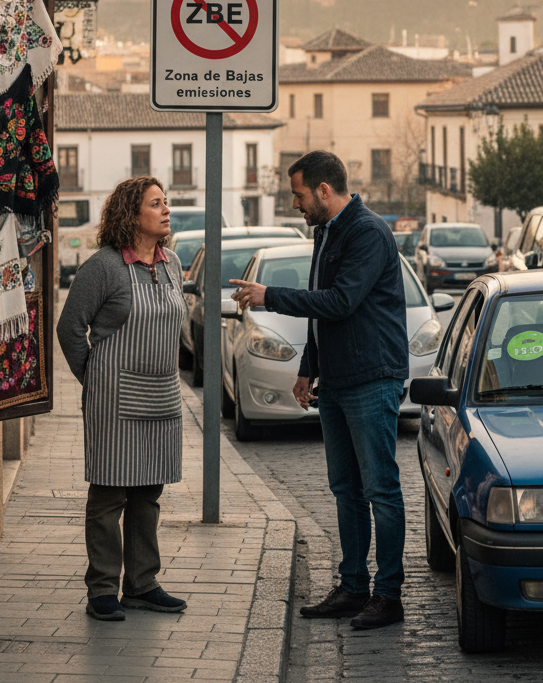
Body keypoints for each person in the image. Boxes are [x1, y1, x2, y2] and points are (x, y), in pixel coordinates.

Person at [229, 150, 408, 630]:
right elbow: (322, 317)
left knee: (381, 490)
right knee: (345, 489)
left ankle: (388, 596)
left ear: (325, 191)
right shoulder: (326, 232)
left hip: (373, 378)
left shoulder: (368, 232)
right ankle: (353, 587)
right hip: (337, 380)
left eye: (299, 195)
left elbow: (341, 300)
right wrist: (309, 368)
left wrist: (270, 295)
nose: (295, 205)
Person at [57, 176, 189, 622]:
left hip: (161, 392)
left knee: (148, 493)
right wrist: (93, 378)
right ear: (132, 215)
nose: (166, 209)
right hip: (114, 394)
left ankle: (142, 584)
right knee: (110, 493)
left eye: (166, 202)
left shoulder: (171, 263)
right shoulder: (104, 266)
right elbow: (69, 327)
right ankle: (102, 590)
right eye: (157, 203)